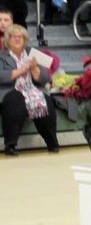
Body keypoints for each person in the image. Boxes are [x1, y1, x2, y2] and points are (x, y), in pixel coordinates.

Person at [0, 24, 60, 156]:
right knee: (15, 101)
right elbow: (1, 76)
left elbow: (44, 79)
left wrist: (34, 68)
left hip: (31, 89)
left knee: (45, 100)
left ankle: (52, 143)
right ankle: (10, 144)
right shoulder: (2, 56)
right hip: (10, 90)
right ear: (8, 39)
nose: (17, 39)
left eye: (20, 37)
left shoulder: (33, 54)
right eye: (14, 36)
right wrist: (22, 69)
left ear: (25, 39)